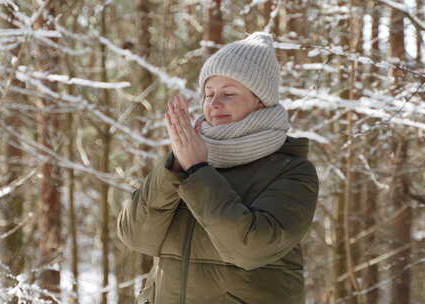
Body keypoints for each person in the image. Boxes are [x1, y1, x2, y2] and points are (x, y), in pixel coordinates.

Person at [117, 32, 319, 304]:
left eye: (228, 94)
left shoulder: (292, 170)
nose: (213, 103)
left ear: (260, 100)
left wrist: (198, 170)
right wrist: (176, 167)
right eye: (209, 93)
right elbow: (136, 237)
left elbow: (251, 248)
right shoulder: (187, 157)